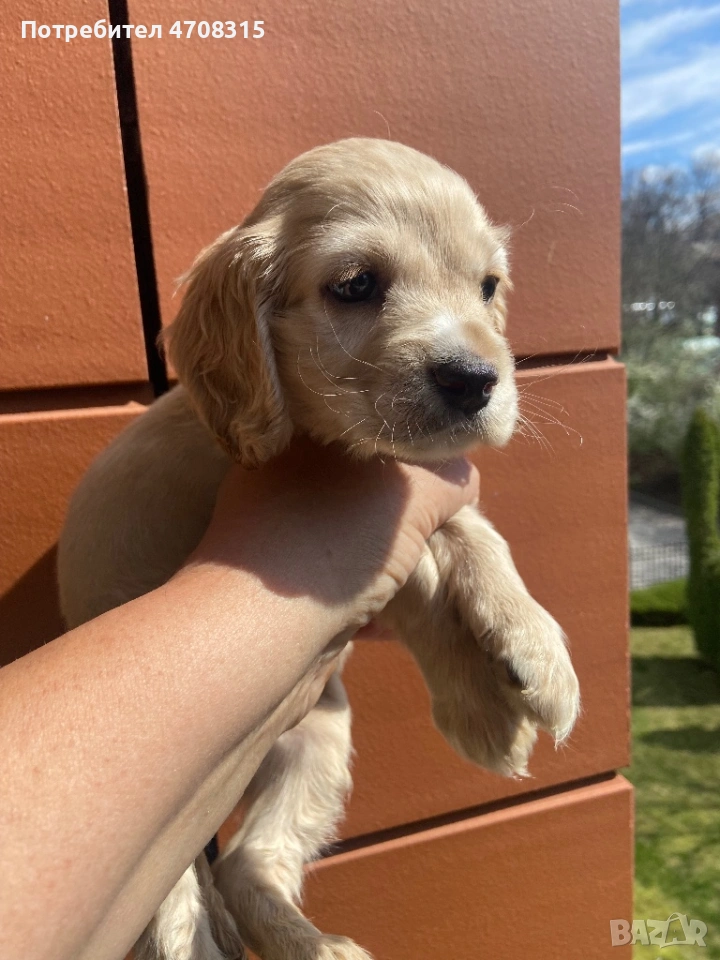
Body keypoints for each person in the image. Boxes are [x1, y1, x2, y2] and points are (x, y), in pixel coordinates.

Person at [0, 440, 478, 960]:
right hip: (145, 688)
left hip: (241, 697)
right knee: (173, 913)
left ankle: (260, 889)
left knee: (317, 748)